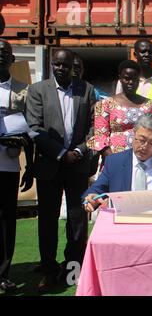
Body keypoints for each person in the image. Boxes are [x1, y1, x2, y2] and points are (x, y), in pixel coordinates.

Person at [25, 49, 96, 292]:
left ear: (72, 67)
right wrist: (60, 153)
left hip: (77, 165)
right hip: (49, 165)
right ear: (51, 65)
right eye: (57, 64)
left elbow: (93, 127)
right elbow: (34, 128)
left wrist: (77, 151)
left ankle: (73, 268)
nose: (61, 69)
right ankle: (48, 269)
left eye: (65, 65)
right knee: (47, 220)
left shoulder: (86, 89)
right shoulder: (38, 91)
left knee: (77, 220)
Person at [83, 114, 152, 211]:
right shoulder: (114, 162)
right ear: (134, 134)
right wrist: (92, 197)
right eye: (141, 140)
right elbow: (97, 188)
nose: (145, 147)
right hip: (124, 219)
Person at [0, 39, 33, 294]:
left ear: (13, 59)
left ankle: (4, 272)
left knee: (6, 221)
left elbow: (31, 131)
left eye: (5, 53)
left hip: (9, 165)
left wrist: (30, 167)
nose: (1, 56)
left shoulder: (23, 90)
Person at [87, 60, 152, 166]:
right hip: (115, 160)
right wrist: (113, 160)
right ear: (120, 78)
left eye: (134, 79)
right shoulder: (106, 104)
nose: (130, 82)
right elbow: (100, 136)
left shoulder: (151, 105)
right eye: (126, 78)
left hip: (145, 162)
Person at [115, 39, 152, 113]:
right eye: (143, 52)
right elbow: (117, 106)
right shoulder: (125, 80)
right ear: (135, 54)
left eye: (150, 52)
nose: (147, 55)